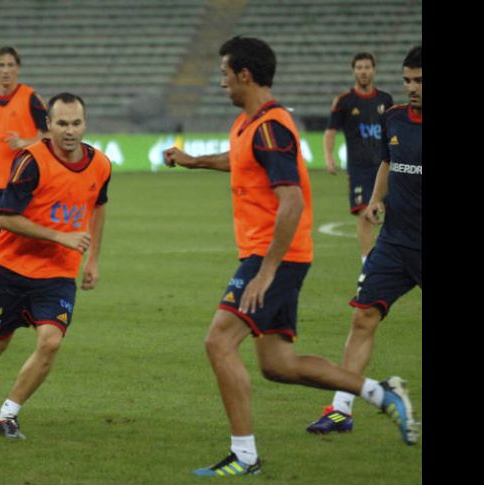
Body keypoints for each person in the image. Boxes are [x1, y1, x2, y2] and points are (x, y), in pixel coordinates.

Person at [162, 36, 418, 477]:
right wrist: (193, 161)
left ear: (245, 75)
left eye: (225, 73)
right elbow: (241, 161)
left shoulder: (272, 126)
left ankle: (244, 455)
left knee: (219, 342)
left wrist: (267, 270)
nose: (221, 82)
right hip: (267, 256)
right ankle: (380, 393)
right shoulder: (248, 125)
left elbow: (293, 201)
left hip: (272, 256)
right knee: (277, 366)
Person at [0, 93, 111, 440]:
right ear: (48, 126)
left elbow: (99, 206)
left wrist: (93, 259)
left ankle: (7, 415)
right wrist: (62, 236)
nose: (69, 131)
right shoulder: (31, 162)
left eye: (76, 123)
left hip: (58, 274)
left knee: (51, 341)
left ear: (85, 124)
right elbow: (7, 218)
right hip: (12, 269)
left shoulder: (101, 164)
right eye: (62, 123)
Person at [307, 45, 422, 436]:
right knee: (362, 318)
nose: (411, 88)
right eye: (407, 80)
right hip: (393, 244)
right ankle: (341, 410)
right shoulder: (395, 118)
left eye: (419, 81)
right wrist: (375, 200)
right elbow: (388, 164)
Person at [0, 46, 48, 326]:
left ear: (18, 68)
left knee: (23, 246)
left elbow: (49, 133)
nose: (5, 69)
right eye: (0, 64)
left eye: (10, 64)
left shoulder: (31, 99)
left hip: (21, 183)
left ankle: (29, 302)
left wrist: (26, 142)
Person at [323, 53, 394, 263]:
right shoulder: (344, 101)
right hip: (359, 169)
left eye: (367, 67)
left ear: (374, 70)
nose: (363, 71)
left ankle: (393, 258)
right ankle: (367, 265)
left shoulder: (385, 99)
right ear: (353, 71)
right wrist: (329, 157)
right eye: (359, 67)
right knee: (365, 215)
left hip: (384, 165)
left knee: (395, 213)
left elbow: (394, 131)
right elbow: (330, 131)